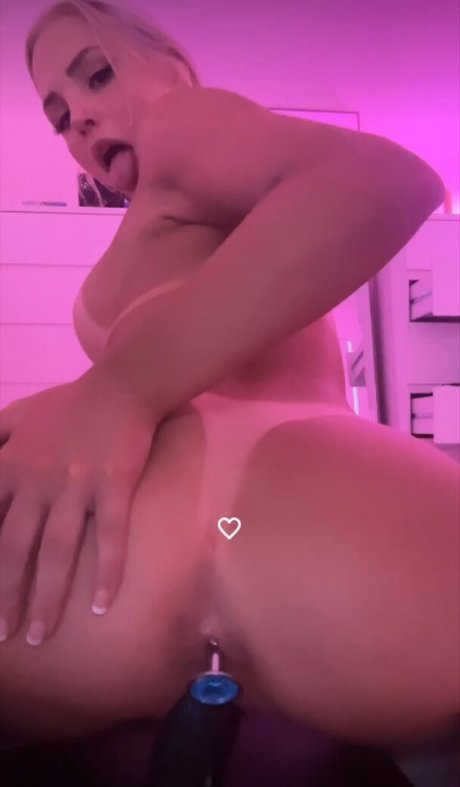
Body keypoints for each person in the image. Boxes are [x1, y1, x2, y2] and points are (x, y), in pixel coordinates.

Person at [0, 1, 458, 783]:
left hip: (282, 543)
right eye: (59, 117)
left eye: (97, 75)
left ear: (171, 66)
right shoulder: (165, 212)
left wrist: (121, 389)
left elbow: (383, 182)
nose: (80, 119)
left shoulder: (184, 123)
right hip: (326, 582)